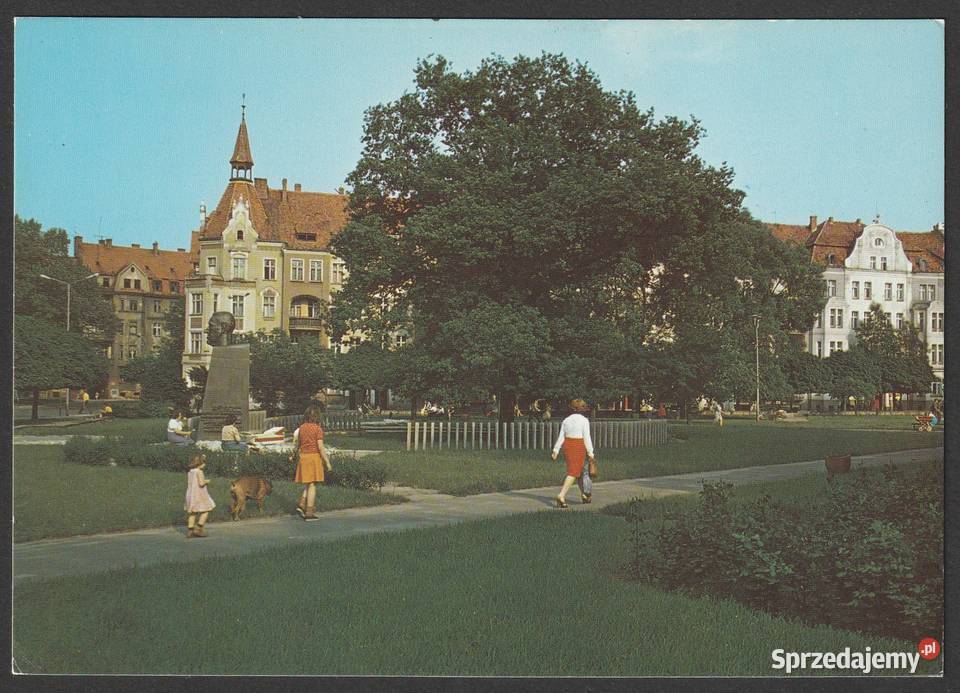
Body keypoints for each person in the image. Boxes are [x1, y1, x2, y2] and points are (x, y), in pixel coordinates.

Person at [550, 399, 596, 508]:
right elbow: (587, 438)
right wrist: (591, 452)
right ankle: (561, 495)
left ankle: (584, 494)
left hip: (568, 446)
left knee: (578, 472)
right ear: (582, 409)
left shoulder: (566, 420)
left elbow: (561, 436)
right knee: (573, 473)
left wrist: (555, 450)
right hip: (578, 446)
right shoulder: (584, 420)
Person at [292, 404, 328, 520]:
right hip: (314, 458)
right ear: (317, 417)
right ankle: (309, 512)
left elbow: (297, 444)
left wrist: (293, 455)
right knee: (312, 485)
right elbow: (321, 448)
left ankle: (302, 504)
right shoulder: (318, 429)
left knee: (308, 482)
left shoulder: (301, 428)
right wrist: (327, 462)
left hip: (303, 457)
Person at [184, 453, 215, 538]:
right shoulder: (199, 472)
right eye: (204, 462)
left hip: (191, 494)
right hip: (199, 494)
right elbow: (201, 483)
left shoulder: (190, 472)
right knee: (206, 510)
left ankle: (190, 531)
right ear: (199, 463)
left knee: (193, 513)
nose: (205, 465)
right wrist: (206, 481)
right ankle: (199, 528)